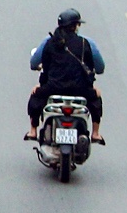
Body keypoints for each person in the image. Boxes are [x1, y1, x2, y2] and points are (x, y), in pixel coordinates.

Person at [27, 8, 106, 142]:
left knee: (36, 96)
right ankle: (96, 133)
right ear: (75, 26)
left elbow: (41, 65)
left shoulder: (49, 42)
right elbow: (98, 67)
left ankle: (33, 131)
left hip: (53, 88)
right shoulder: (85, 43)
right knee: (96, 98)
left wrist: (41, 84)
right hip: (80, 90)